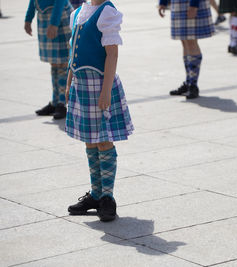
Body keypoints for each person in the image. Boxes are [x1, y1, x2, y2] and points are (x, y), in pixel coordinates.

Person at [66, 0, 134, 222]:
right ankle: (95, 193)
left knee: (104, 141)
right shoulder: (78, 12)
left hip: (99, 84)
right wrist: (69, 82)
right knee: (89, 140)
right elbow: (72, 51)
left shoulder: (107, 12)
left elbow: (112, 55)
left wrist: (105, 91)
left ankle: (107, 197)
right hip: (81, 84)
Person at [24, 0, 73, 119]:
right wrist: (28, 18)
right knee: (54, 63)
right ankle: (55, 102)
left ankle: (63, 103)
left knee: (62, 63)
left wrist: (54, 23)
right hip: (45, 19)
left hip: (59, 18)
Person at [158, 0, 214, 99]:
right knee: (185, 42)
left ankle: (193, 85)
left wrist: (194, 5)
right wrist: (163, 2)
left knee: (191, 41)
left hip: (191, 5)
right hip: (178, 5)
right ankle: (189, 82)